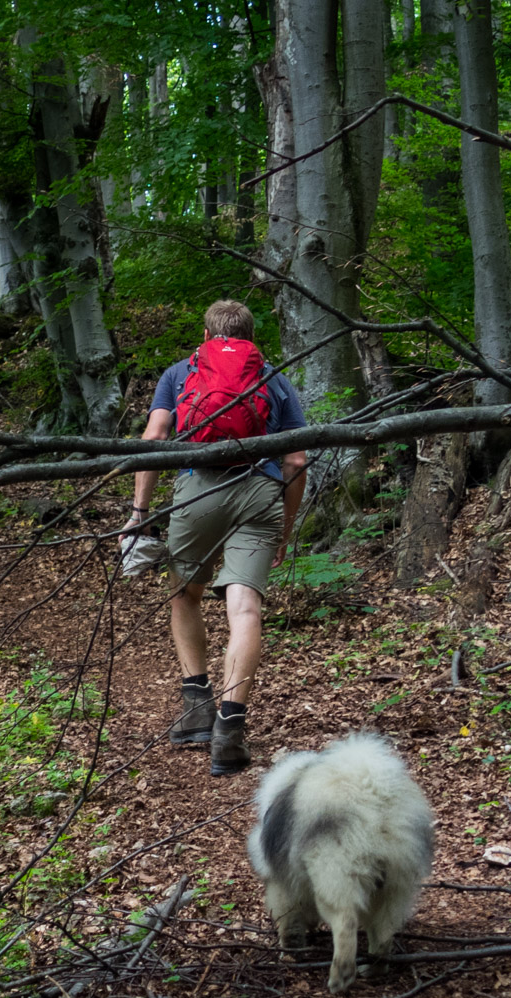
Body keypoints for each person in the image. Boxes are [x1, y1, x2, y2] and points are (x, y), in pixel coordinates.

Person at [124, 299, 308, 776]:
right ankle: (230, 727)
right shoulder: (272, 376)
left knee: (184, 594)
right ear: (250, 336)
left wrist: (140, 511)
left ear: (206, 335)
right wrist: (284, 526)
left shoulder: (181, 372)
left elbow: (154, 438)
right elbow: (297, 461)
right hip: (260, 491)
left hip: (197, 490)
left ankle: (197, 706)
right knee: (245, 607)